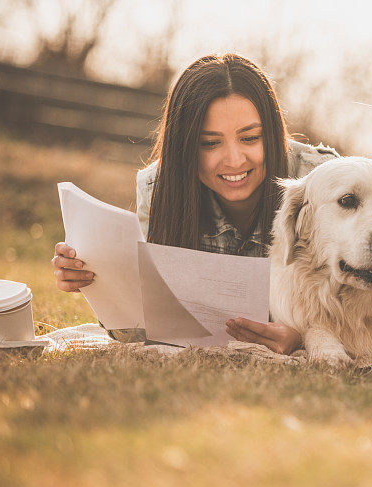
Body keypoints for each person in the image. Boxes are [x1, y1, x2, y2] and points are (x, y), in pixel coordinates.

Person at [52, 53, 339, 354]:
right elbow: (136, 330)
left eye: (250, 138)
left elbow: (369, 301)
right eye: (210, 143)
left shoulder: (320, 181)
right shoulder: (159, 187)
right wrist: (97, 279)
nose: (235, 160)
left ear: (273, 132)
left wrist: (303, 336)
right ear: (185, 146)